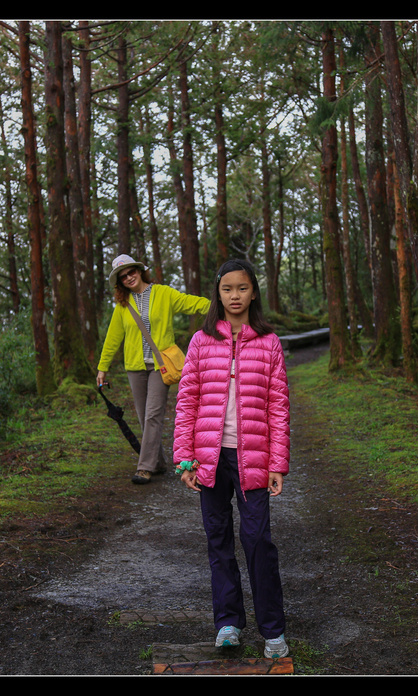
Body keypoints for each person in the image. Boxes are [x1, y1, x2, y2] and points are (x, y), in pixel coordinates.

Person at [173, 258, 291, 659]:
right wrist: (185, 459)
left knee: (258, 540)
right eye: (227, 289)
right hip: (209, 458)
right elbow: (187, 402)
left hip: (253, 458)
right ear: (218, 294)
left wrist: (277, 464)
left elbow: (278, 406)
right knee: (218, 539)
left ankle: (273, 630)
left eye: (242, 288)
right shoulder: (200, 341)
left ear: (253, 292)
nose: (235, 296)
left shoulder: (269, 342)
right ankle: (228, 623)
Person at [97, 254, 210, 485]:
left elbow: (192, 303)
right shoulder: (123, 305)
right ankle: (157, 462)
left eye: (131, 272)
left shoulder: (163, 293)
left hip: (161, 365)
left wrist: (221, 305)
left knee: (153, 414)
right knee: (143, 417)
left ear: (139, 271)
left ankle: (145, 467)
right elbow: (112, 338)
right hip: (134, 367)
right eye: (123, 276)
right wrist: (102, 368)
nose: (129, 278)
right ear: (120, 282)